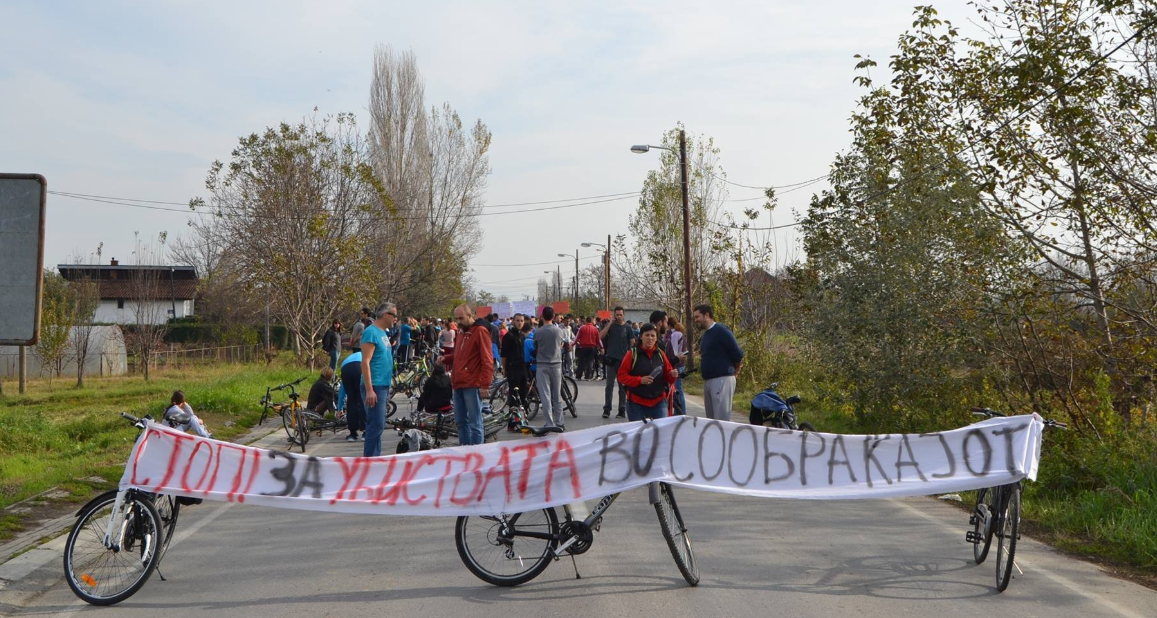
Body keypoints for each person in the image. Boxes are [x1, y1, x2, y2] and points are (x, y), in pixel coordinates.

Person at [439, 303, 493, 445]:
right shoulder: (461, 333)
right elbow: (459, 355)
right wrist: (446, 359)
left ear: (470, 315)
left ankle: (477, 455)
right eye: (456, 319)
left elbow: (487, 360)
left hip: (472, 383)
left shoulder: (480, 331)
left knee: (475, 423)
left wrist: (484, 384)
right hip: (458, 382)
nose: (458, 322)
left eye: (461, 318)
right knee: (460, 422)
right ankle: (465, 453)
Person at [617, 323, 678, 421]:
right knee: (638, 435)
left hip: (659, 402)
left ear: (656, 338)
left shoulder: (661, 354)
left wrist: (672, 375)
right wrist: (640, 380)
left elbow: (668, 376)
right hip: (636, 404)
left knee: (661, 434)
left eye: (653, 335)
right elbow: (621, 376)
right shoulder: (632, 354)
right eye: (647, 335)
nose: (650, 338)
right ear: (641, 337)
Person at [694, 303, 744, 421]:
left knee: (721, 421)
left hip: (721, 380)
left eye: (697, 317)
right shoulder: (706, 334)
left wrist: (736, 370)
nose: (695, 320)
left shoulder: (721, 330)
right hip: (709, 381)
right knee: (711, 422)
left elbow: (737, 353)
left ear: (706, 315)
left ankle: (723, 440)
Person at [361, 302, 397, 457]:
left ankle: (376, 458)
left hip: (383, 385)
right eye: (394, 315)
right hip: (374, 386)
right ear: (385, 315)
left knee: (379, 425)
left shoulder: (383, 333)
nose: (396, 318)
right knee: (375, 425)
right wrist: (369, 390)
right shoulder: (371, 332)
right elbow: (365, 362)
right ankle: (370, 462)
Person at [534, 306, 566, 430]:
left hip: (542, 365)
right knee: (557, 395)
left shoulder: (538, 332)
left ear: (542, 316)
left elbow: (536, 346)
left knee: (545, 395)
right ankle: (559, 423)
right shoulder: (559, 331)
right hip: (556, 365)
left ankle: (549, 423)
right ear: (553, 317)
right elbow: (561, 344)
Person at [600, 306, 634, 419]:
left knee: (622, 387)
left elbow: (632, 342)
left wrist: (630, 354)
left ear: (624, 315)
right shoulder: (611, 326)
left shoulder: (627, 328)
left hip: (623, 361)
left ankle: (622, 409)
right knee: (609, 386)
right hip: (611, 360)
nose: (618, 316)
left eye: (620, 314)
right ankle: (607, 409)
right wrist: (609, 324)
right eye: (617, 314)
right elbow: (600, 336)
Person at [501, 314, 529, 410]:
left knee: (523, 395)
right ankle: (513, 418)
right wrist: (504, 369)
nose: (519, 323)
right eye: (517, 320)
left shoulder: (522, 336)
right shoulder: (508, 336)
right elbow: (503, 355)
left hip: (522, 368)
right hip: (513, 369)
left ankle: (522, 418)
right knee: (514, 396)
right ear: (513, 321)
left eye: (521, 321)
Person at [336, 351, 364, 441]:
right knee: (362, 399)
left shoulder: (349, 358)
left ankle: (352, 434)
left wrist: (339, 408)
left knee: (351, 401)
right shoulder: (369, 354)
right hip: (360, 366)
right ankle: (366, 431)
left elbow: (342, 391)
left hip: (345, 369)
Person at [665, 316, 689, 415]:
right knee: (678, 388)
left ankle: (681, 411)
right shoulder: (681, 334)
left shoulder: (675, 334)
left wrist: (674, 359)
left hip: (677, 363)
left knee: (678, 388)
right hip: (680, 363)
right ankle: (680, 411)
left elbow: (675, 349)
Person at [575, 316, 600, 380]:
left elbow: (577, 337)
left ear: (586, 321)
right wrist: (601, 347)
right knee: (590, 362)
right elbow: (598, 340)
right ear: (592, 321)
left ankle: (578, 376)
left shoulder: (582, 328)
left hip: (583, 347)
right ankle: (588, 376)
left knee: (581, 361)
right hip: (592, 347)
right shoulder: (595, 329)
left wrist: (572, 344)